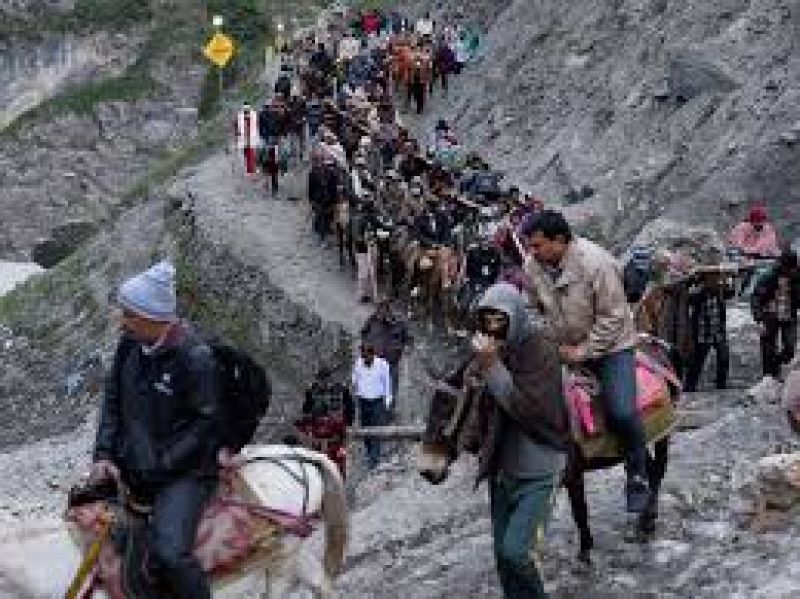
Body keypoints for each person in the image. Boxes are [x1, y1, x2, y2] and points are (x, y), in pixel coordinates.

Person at [91, 261, 219, 599]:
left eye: (130, 315)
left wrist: (162, 464)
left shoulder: (195, 358)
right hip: (135, 465)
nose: (123, 321)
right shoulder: (129, 346)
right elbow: (113, 401)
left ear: (155, 317)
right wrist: (103, 454)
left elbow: (206, 425)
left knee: (172, 554)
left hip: (184, 473)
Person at [523, 210, 651, 513]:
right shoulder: (533, 266)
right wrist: (546, 341)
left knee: (621, 410)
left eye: (538, 245)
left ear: (560, 241)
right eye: (531, 246)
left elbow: (614, 317)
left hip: (610, 347)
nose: (532, 252)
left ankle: (638, 474)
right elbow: (531, 309)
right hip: (560, 347)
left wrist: (583, 352)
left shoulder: (597, 263)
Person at [470, 283, 569, 599]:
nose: (492, 327)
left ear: (515, 318)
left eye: (500, 320)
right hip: (502, 472)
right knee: (502, 557)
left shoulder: (541, 352)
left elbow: (529, 410)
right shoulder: (492, 352)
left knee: (517, 552)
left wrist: (492, 368)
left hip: (538, 470)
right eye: (487, 319)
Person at [297, 366, 355, 477]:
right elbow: (306, 409)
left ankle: (339, 481)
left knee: (339, 459)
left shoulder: (341, 389)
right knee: (316, 460)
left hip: (337, 431)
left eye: (325, 379)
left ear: (330, 379)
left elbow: (350, 407)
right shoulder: (312, 390)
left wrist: (348, 423)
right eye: (320, 380)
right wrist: (306, 425)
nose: (323, 382)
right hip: (317, 431)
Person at [751, 249, 800, 379]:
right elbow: (756, 297)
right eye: (789, 269)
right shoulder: (769, 276)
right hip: (770, 315)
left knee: (790, 347)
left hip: (789, 315)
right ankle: (769, 376)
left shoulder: (797, 276)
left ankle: (776, 363)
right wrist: (759, 318)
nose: (791, 272)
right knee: (768, 347)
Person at [684, 269, 735, 392]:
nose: (715, 281)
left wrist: (730, 279)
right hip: (703, 333)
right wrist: (694, 281)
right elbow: (689, 298)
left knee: (723, 358)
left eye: (716, 278)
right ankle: (689, 386)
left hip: (718, 331)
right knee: (698, 361)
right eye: (712, 278)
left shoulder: (720, 291)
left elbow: (731, 293)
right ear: (705, 280)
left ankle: (721, 385)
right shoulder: (698, 293)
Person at [360, 297, 412, 419]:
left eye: (384, 308)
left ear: (389, 309)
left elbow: (408, 338)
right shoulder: (372, 320)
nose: (381, 312)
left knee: (391, 391)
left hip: (392, 363)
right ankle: (374, 417)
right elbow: (363, 334)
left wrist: (408, 347)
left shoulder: (399, 322)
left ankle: (389, 416)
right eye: (379, 308)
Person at [351, 343, 392, 469]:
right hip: (363, 400)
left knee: (376, 429)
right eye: (363, 356)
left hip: (377, 401)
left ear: (372, 354)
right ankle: (369, 453)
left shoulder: (382, 365)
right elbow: (355, 380)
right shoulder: (358, 363)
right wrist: (356, 392)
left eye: (366, 356)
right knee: (365, 428)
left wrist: (387, 401)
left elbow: (387, 383)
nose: (364, 359)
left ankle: (374, 459)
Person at [235, 103, 261, 176]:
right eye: (245, 111)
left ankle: (253, 169)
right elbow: (236, 127)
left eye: (247, 110)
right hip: (244, 138)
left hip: (251, 137)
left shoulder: (253, 115)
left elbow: (257, 125)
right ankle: (249, 170)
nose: (246, 112)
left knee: (251, 154)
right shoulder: (240, 117)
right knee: (247, 155)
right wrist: (237, 135)